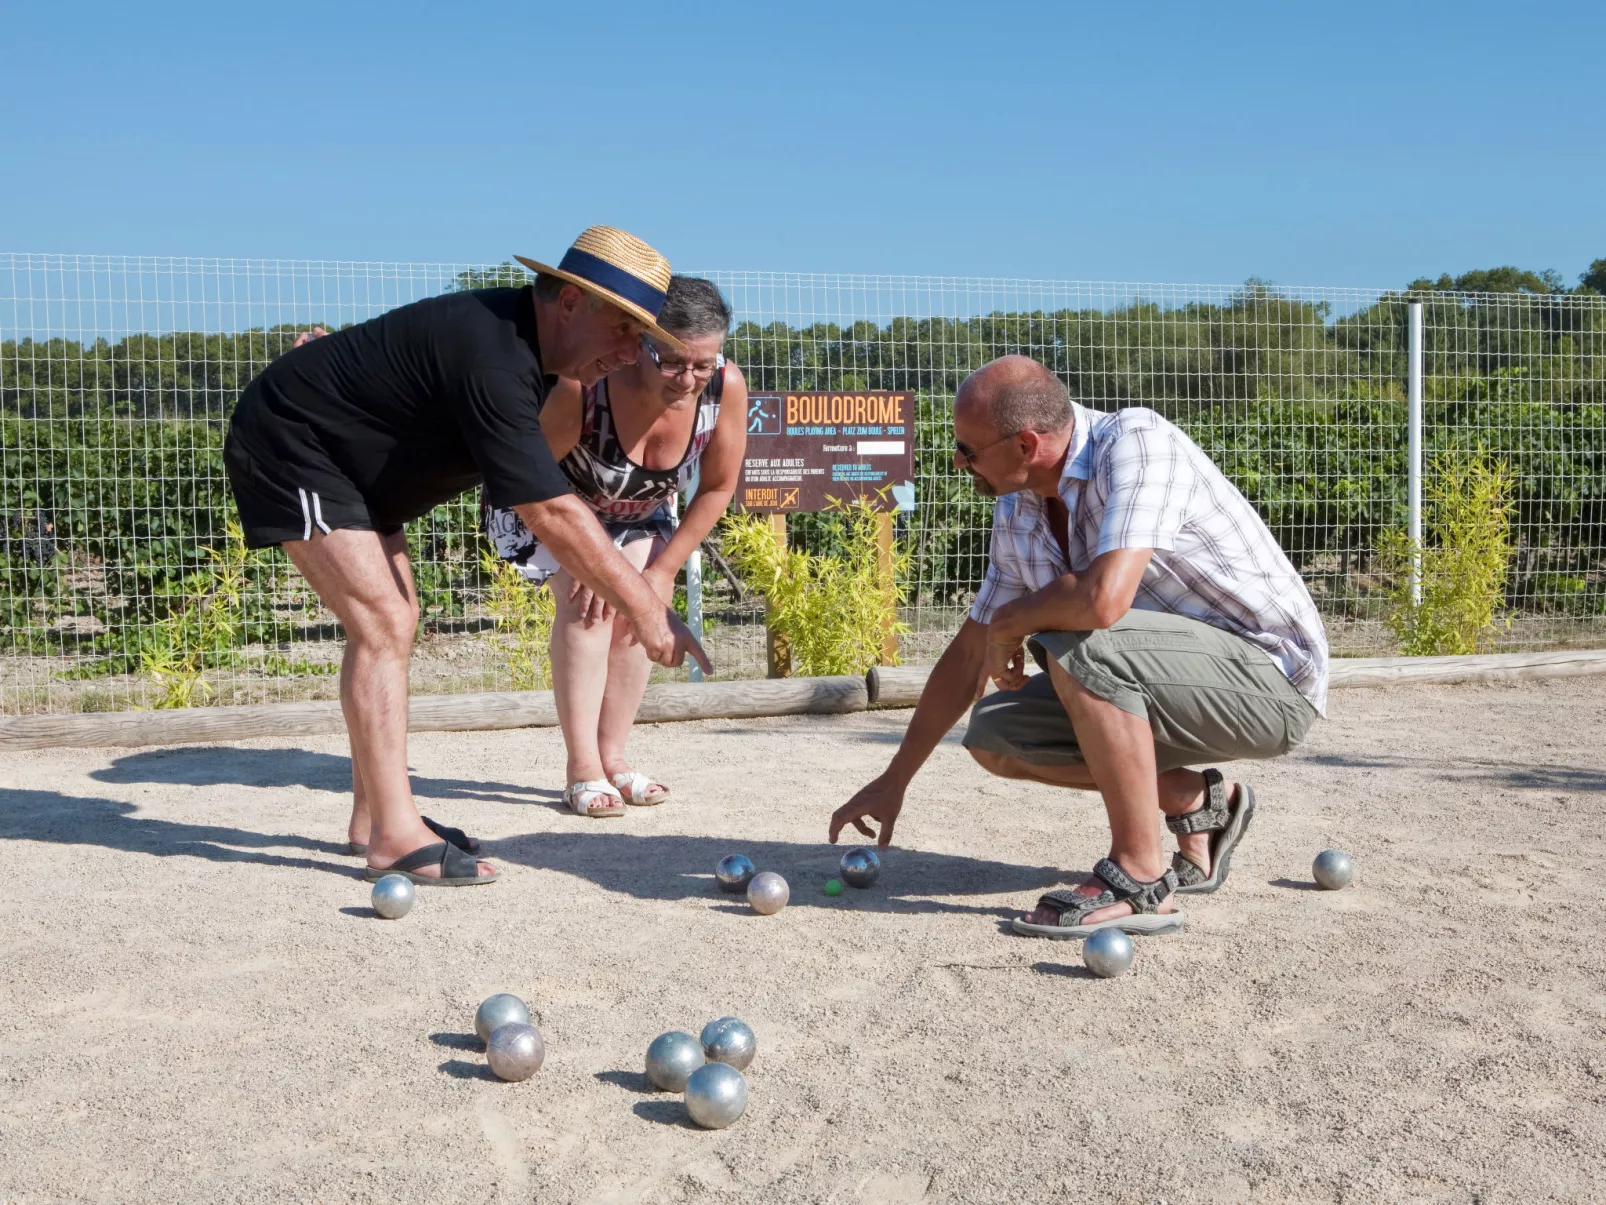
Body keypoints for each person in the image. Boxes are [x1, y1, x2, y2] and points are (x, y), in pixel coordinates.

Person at [224, 227, 710, 889]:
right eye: (625, 329)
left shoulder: (536, 361)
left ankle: (376, 818)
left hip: (359, 472)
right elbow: (549, 510)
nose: (633, 352)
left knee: (395, 619)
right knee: (383, 622)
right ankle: (394, 836)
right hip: (293, 439)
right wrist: (647, 607)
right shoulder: (494, 352)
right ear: (571, 303)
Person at [828, 356, 1328, 937]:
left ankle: (1140, 876)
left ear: (1025, 444)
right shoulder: (1018, 509)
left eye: (968, 449)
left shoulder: (1136, 442)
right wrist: (896, 780)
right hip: (1165, 685)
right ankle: (1198, 802)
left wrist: (1013, 621)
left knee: (1076, 639)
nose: (958, 462)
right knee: (997, 735)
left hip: (1269, 683)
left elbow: (1101, 602)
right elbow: (970, 651)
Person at [485, 278, 747, 817]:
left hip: (640, 513)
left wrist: (661, 574)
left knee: (638, 609)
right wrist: (587, 557)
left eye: (704, 363)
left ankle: (615, 757)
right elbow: (536, 481)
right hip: (551, 504)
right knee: (591, 607)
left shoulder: (724, 386)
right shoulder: (587, 383)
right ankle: (582, 768)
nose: (690, 379)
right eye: (673, 361)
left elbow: (719, 487)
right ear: (640, 341)